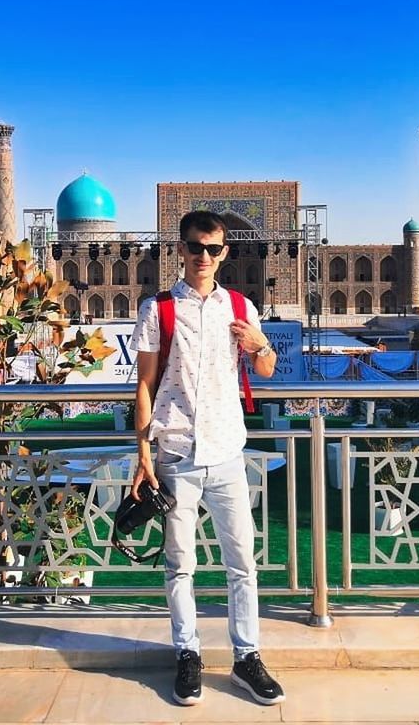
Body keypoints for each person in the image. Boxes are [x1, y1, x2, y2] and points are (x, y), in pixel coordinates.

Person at [128, 210, 285, 707]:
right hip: (176, 453)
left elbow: (266, 369)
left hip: (226, 452)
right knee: (181, 565)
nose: (204, 256)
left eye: (213, 249)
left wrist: (259, 343)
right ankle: (187, 654)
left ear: (225, 254)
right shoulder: (158, 309)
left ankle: (246, 657)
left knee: (242, 563)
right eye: (196, 246)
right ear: (180, 249)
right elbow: (146, 385)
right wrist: (142, 454)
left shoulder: (239, 306)